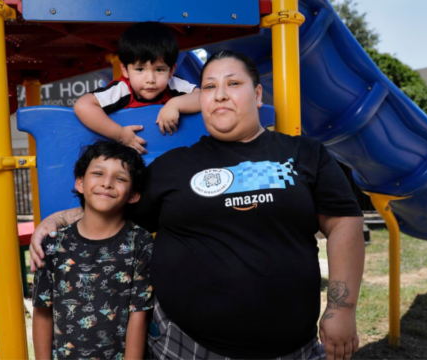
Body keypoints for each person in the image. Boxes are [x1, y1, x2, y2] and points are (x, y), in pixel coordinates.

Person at [31, 50, 365, 360]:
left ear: (258, 95)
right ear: (200, 98)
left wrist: (342, 310)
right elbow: (117, 209)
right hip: (186, 345)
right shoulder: (173, 166)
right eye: (209, 87)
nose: (220, 94)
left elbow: (343, 223)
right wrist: (58, 219)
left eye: (233, 84)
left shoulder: (306, 153)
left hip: (292, 346)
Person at [32, 140, 154, 360]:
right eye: (98, 173)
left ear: (134, 194)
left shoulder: (141, 242)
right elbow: (42, 312)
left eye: (120, 178)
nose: (107, 183)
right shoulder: (52, 244)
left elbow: (140, 314)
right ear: (80, 182)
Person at [74, 21, 201, 154]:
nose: (150, 80)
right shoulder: (122, 89)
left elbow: (204, 96)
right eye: (140, 69)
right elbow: (83, 105)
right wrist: (120, 134)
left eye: (159, 70)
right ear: (125, 69)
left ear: (171, 70)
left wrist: (175, 104)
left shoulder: (173, 85)